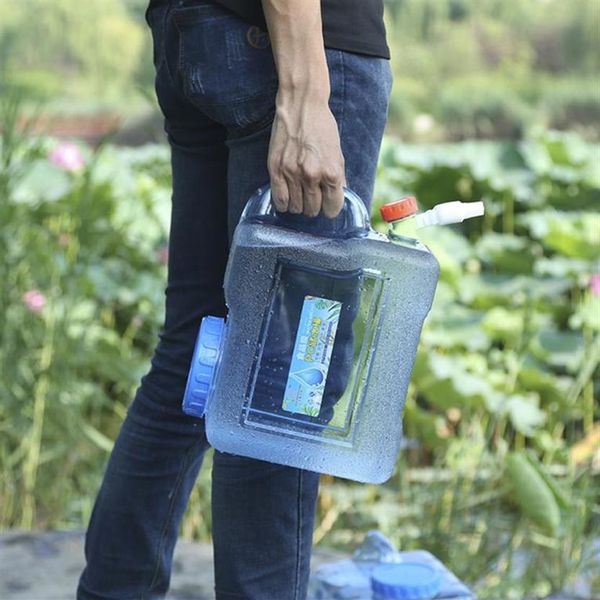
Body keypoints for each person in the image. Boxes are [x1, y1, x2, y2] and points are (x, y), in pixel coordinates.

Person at [77, 0, 391, 598]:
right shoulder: (300, 79)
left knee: (198, 355)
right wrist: (303, 94)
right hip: (285, 51)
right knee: (285, 384)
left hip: (198, 33)